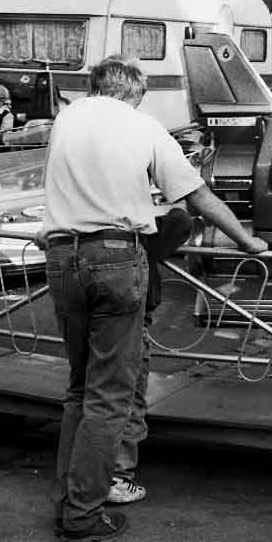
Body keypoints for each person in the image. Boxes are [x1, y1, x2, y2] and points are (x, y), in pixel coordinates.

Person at [41, 55, 268, 542]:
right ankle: (82, 513)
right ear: (134, 93)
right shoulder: (142, 126)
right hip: (114, 256)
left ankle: (67, 498)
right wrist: (246, 240)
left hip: (61, 256)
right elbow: (195, 195)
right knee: (109, 396)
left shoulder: (66, 119)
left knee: (79, 388)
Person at [108, 204, 194, 506]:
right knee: (129, 398)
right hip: (131, 317)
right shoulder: (141, 236)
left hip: (94, 310)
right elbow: (181, 220)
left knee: (90, 393)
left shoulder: (92, 220)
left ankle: (84, 474)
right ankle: (117, 476)